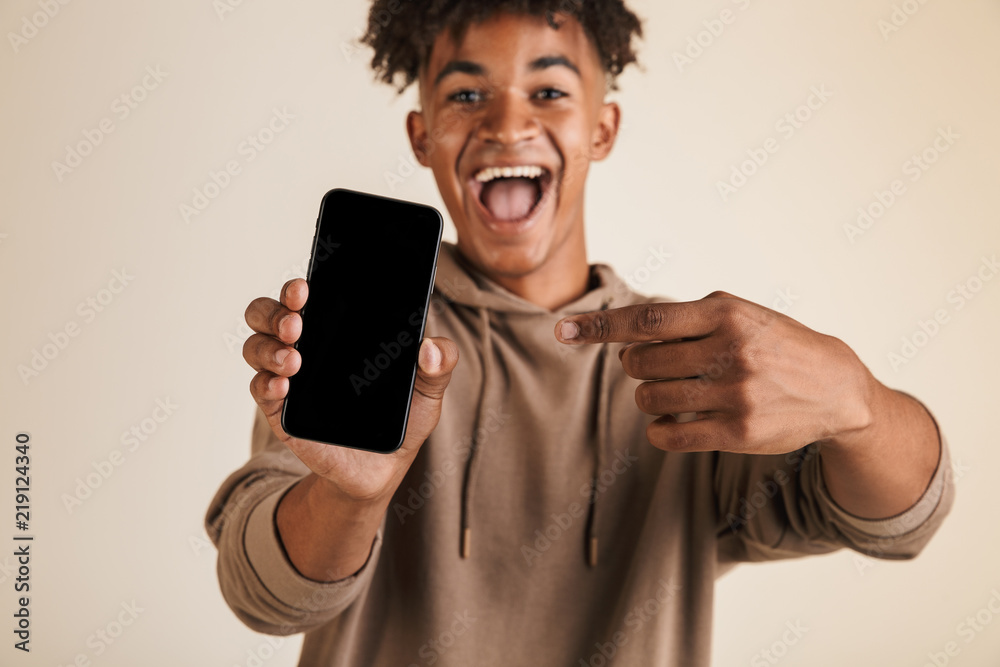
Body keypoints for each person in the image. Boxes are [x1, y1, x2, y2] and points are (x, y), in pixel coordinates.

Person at [205, 2, 953, 665]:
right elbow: (267, 597)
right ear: (422, 134)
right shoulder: (364, 341)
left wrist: (856, 401)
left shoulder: (689, 363)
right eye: (466, 94)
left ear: (602, 127)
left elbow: (900, 522)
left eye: (550, 90)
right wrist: (351, 498)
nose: (506, 124)